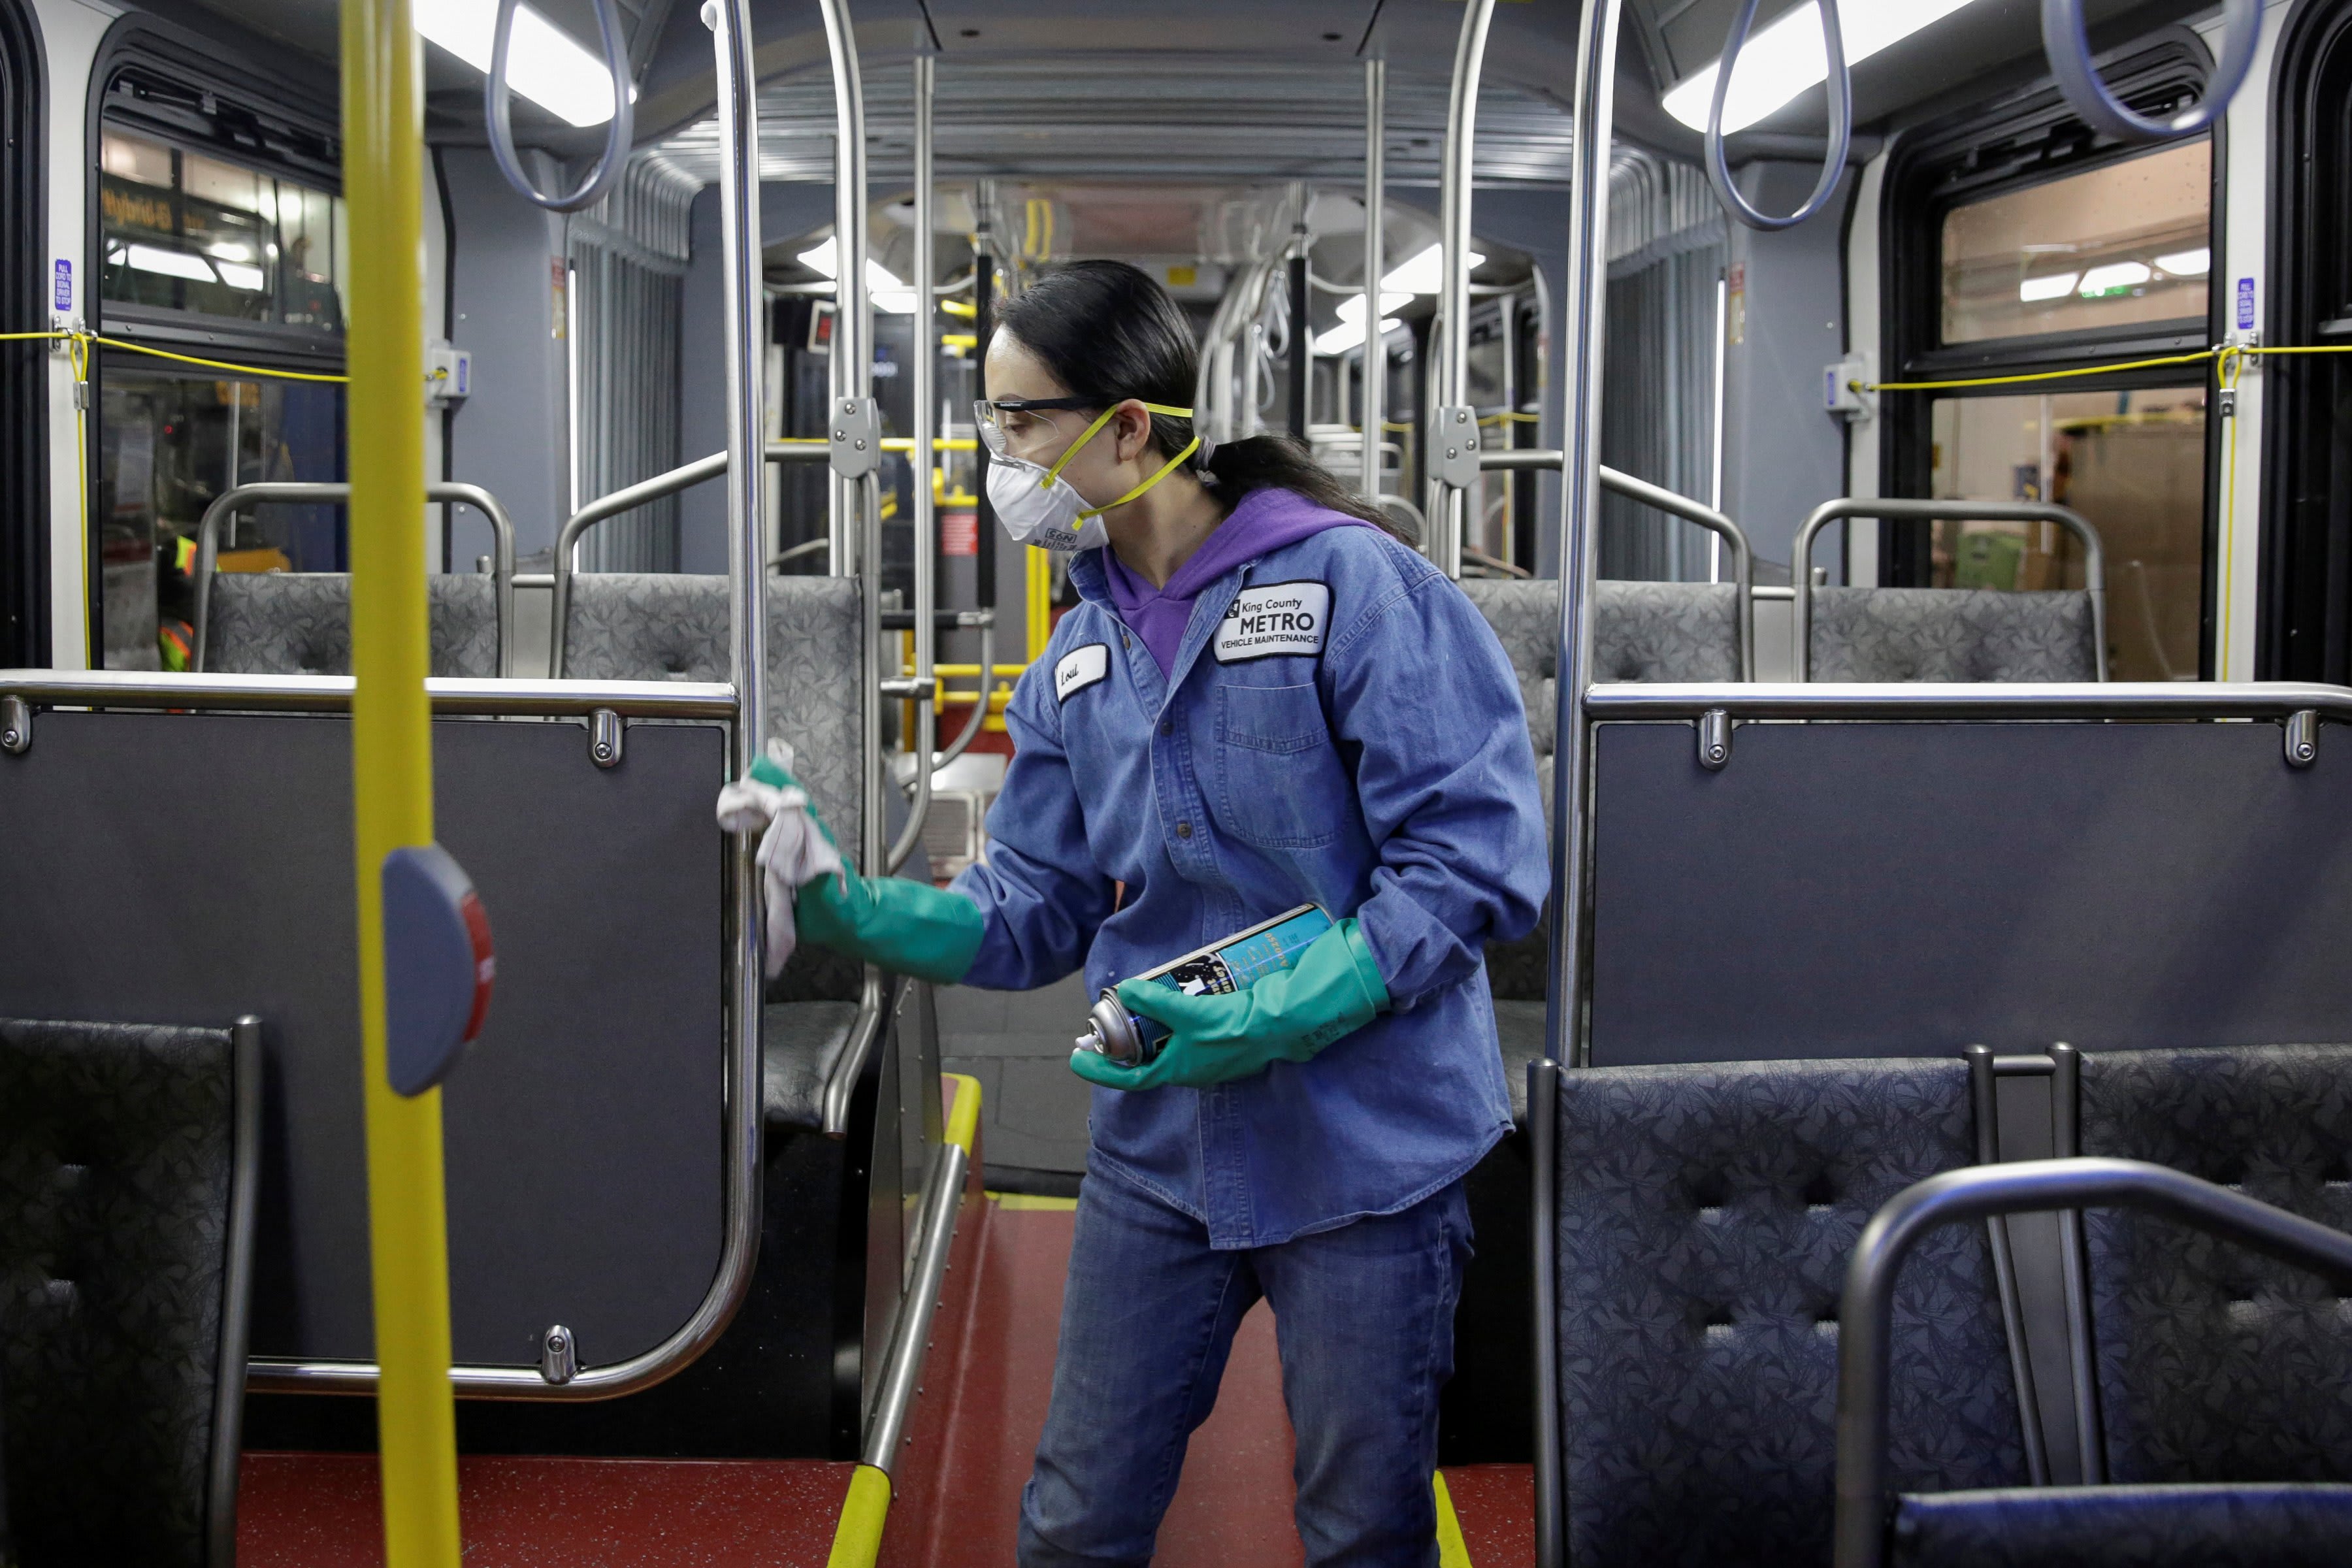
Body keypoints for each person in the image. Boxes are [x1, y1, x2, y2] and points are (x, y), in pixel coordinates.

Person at [736, 259, 1546, 1567]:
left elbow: (1477, 852)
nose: (996, 457)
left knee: (1359, 1528)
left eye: (1021, 423)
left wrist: (1307, 1000)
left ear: (1131, 428)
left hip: (1371, 1157)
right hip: (1162, 1154)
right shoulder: (1075, 663)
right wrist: (845, 899)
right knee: (1076, 1518)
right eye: (990, 422)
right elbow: (1030, 911)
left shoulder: (1353, 587)